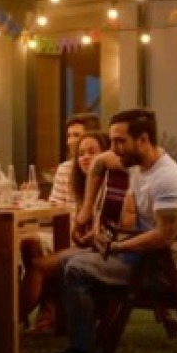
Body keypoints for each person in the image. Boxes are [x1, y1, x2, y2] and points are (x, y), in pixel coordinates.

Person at [40, 108, 177, 353]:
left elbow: (164, 236)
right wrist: (85, 214)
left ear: (143, 139)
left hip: (163, 269)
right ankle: (85, 339)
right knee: (68, 260)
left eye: (120, 141)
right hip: (143, 257)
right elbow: (100, 163)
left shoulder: (168, 178)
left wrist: (118, 245)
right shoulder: (136, 162)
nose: (114, 149)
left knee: (77, 269)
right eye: (112, 141)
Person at [20, 131, 112, 331]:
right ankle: (49, 314)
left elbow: (107, 229)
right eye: (81, 154)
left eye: (92, 152)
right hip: (90, 245)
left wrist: (86, 235)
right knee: (30, 245)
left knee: (38, 266)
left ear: (106, 154)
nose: (85, 157)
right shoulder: (83, 183)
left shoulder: (110, 183)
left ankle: (6, 325)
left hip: (104, 250)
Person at [48, 113, 101, 213]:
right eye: (69, 136)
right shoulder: (65, 169)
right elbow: (54, 209)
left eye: (76, 135)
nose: (70, 141)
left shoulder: (107, 169)